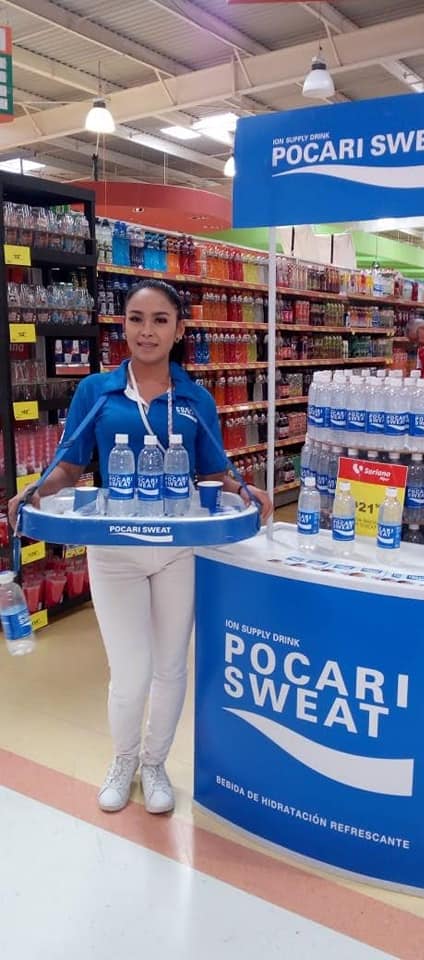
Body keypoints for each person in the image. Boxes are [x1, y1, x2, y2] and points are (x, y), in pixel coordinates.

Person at [9, 279, 272, 816]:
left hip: (178, 550)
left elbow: (212, 469)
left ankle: (155, 764)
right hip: (115, 550)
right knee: (130, 670)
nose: (146, 331)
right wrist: (36, 488)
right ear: (122, 326)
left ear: (179, 330)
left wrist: (247, 489)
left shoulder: (195, 398)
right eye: (135, 319)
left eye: (159, 320)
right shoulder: (97, 392)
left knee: (171, 666)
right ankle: (124, 759)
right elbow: (70, 464)